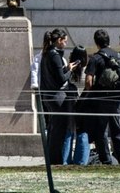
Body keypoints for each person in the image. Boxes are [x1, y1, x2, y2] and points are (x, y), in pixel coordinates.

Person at [83, 28, 120, 165]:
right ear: (109, 41)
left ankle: (106, 160)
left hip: (101, 99)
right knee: (117, 130)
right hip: (116, 99)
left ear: (96, 43)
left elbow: (88, 82)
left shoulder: (96, 58)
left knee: (101, 130)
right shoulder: (118, 56)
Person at [39, 29, 77, 165]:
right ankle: (56, 160)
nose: (66, 44)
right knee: (58, 131)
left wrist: (66, 68)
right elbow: (61, 79)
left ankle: (51, 159)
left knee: (53, 129)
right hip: (58, 97)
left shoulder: (46, 53)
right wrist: (70, 70)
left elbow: (55, 75)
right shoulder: (54, 55)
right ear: (59, 40)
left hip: (49, 96)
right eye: (65, 41)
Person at [65, 43, 91, 165]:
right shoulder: (88, 71)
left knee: (69, 132)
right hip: (84, 104)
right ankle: (81, 161)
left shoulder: (70, 71)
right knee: (83, 132)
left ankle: (65, 160)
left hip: (71, 104)